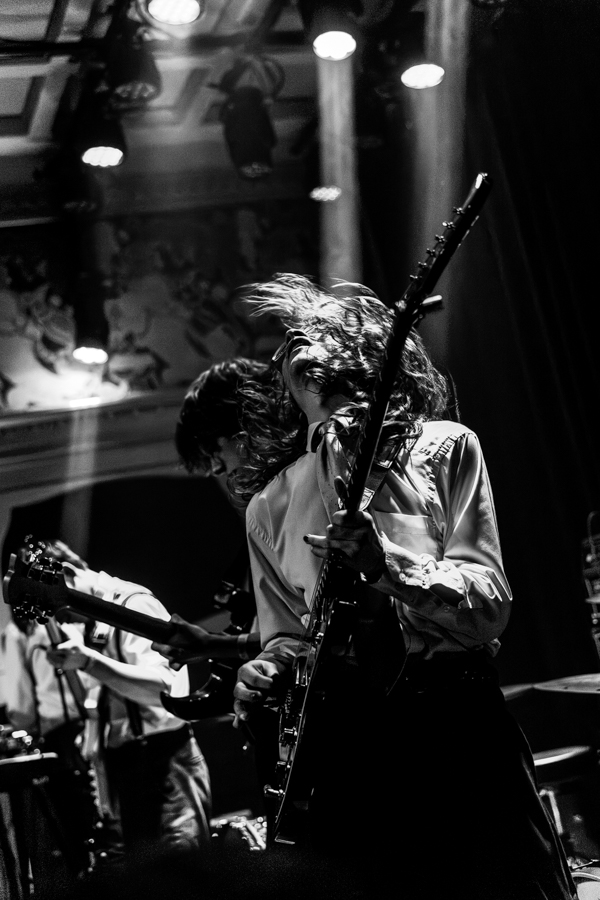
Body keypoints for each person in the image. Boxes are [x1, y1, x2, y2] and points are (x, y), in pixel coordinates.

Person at [231, 274, 576, 900]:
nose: (302, 339)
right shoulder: (269, 507)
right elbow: (289, 640)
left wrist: (385, 566)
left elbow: (488, 604)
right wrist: (267, 668)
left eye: (321, 328)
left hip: (456, 719)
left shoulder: (443, 448)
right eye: (290, 338)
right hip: (355, 747)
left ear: (365, 348)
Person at [39, 541, 213, 859]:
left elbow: (165, 690)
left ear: (68, 573)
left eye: (63, 608)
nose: (64, 618)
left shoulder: (133, 605)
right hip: (130, 768)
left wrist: (89, 661)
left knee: (181, 875)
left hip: (165, 764)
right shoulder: (93, 621)